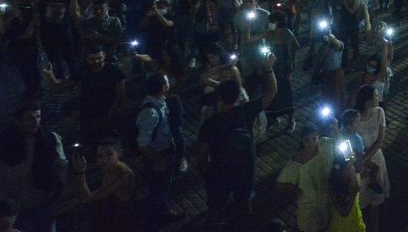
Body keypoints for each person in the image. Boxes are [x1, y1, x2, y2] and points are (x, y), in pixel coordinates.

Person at [196, 51, 278, 220]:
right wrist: (269, 69)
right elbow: (271, 91)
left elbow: (202, 155)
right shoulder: (246, 111)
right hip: (245, 165)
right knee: (243, 201)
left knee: (217, 205)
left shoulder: (210, 124)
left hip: (220, 170)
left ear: (219, 98)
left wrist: (206, 173)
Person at [0, 101, 67, 232]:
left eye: (38, 116)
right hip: (14, 206)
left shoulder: (50, 139)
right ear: (18, 121)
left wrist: (57, 191)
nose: (36, 121)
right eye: (30, 118)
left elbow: (60, 166)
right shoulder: (4, 141)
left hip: (42, 203)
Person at [42, 44, 125, 151]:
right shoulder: (83, 71)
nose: (96, 62)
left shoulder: (113, 70)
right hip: (88, 113)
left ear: (104, 56)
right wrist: (50, 75)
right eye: (92, 59)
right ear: (87, 59)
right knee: (89, 140)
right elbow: (59, 87)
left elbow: (121, 94)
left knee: (108, 140)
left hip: (107, 111)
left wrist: (112, 112)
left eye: (99, 58)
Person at [135, 74, 181, 224]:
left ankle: (157, 206)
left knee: (160, 185)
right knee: (160, 186)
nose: (170, 83)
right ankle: (162, 214)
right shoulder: (151, 112)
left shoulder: (159, 101)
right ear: (163, 87)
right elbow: (142, 144)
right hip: (157, 154)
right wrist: (158, 160)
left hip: (164, 150)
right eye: (168, 81)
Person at [69, 138, 138, 232]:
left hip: (118, 220)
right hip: (110, 215)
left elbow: (86, 199)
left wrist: (81, 172)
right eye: (100, 156)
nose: (104, 159)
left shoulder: (122, 174)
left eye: (109, 154)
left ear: (119, 153)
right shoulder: (110, 167)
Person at [276, 124, 336, 232]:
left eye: (314, 139)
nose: (311, 143)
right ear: (301, 140)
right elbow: (279, 184)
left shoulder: (324, 145)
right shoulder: (297, 160)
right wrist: (298, 189)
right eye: (307, 140)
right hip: (309, 203)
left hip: (325, 196)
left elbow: (339, 142)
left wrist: (335, 128)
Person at [352, 84, 389, 231]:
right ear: (367, 101)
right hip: (359, 163)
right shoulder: (354, 118)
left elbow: (380, 140)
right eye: (375, 95)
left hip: (374, 158)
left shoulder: (380, 113)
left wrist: (367, 157)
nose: (378, 97)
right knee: (362, 198)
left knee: (376, 200)